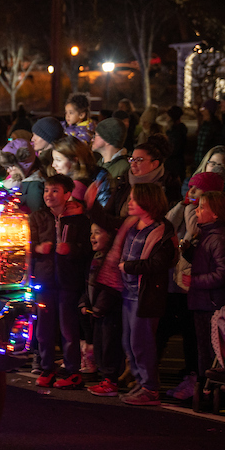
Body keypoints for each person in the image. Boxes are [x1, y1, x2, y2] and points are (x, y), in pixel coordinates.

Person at [170, 190, 225, 400]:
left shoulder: (220, 238)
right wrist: (188, 251)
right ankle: (204, 388)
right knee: (203, 349)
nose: (197, 212)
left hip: (212, 303)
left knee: (211, 351)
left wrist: (196, 281)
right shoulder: (207, 235)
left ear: (216, 214)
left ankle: (211, 391)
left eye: (202, 208)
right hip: (203, 301)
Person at [30, 174, 93, 388]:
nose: (49, 195)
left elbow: (88, 247)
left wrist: (71, 249)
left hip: (68, 281)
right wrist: (38, 249)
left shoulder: (78, 219)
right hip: (45, 280)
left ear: (67, 194)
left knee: (68, 329)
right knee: (44, 328)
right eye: (47, 190)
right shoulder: (38, 217)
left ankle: (72, 370)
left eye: (55, 190)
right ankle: (46, 368)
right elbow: (26, 245)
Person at [118, 182, 177, 406]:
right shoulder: (133, 225)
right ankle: (141, 382)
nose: (129, 202)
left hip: (145, 295)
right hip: (129, 292)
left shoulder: (162, 231)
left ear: (148, 201)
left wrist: (129, 267)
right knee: (129, 342)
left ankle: (150, 388)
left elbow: (157, 264)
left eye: (134, 198)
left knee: (141, 342)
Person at [83, 221, 126, 397]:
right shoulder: (96, 258)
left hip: (109, 312)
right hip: (97, 311)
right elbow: (89, 285)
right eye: (91, 233)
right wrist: (84, 302)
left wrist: (100, 306)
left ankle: (111, 380)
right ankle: (105, 379)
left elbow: (110, 287)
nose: (93, 237)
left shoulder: (110, 260)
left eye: (98, 233)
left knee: (110, 345)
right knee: (100, 344)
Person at [194, 99, 224, 168]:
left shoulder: (215, 126)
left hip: (208, 160)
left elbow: (216, 144)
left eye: (204, 108)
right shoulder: (204, 124)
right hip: (200, 160)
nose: (202, 111)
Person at [165, 105, 188, 184]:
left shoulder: (176, 132)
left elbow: (174, 149)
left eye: (168, 117)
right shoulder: (176, 130)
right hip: (176, 163)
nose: (166, 119)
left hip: (174, 164)